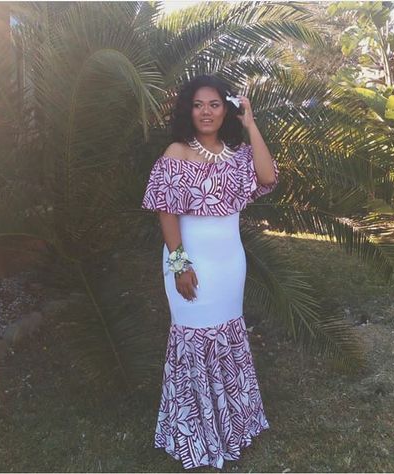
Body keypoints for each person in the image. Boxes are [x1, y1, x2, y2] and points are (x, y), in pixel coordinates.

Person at [141, 74, 279, 470]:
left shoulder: (237, 155)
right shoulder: (177, 152)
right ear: (189, 109)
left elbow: (268, 177)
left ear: (226, 110)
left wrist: (251, 125)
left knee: (227, 337)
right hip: (190, 265)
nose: (206, 112)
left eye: (215, 104)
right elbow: (166, 210)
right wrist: (179, 263)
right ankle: (195, 434)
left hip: (230, 267)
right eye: (199, 104)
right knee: (193, 337)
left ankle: (232, 428)